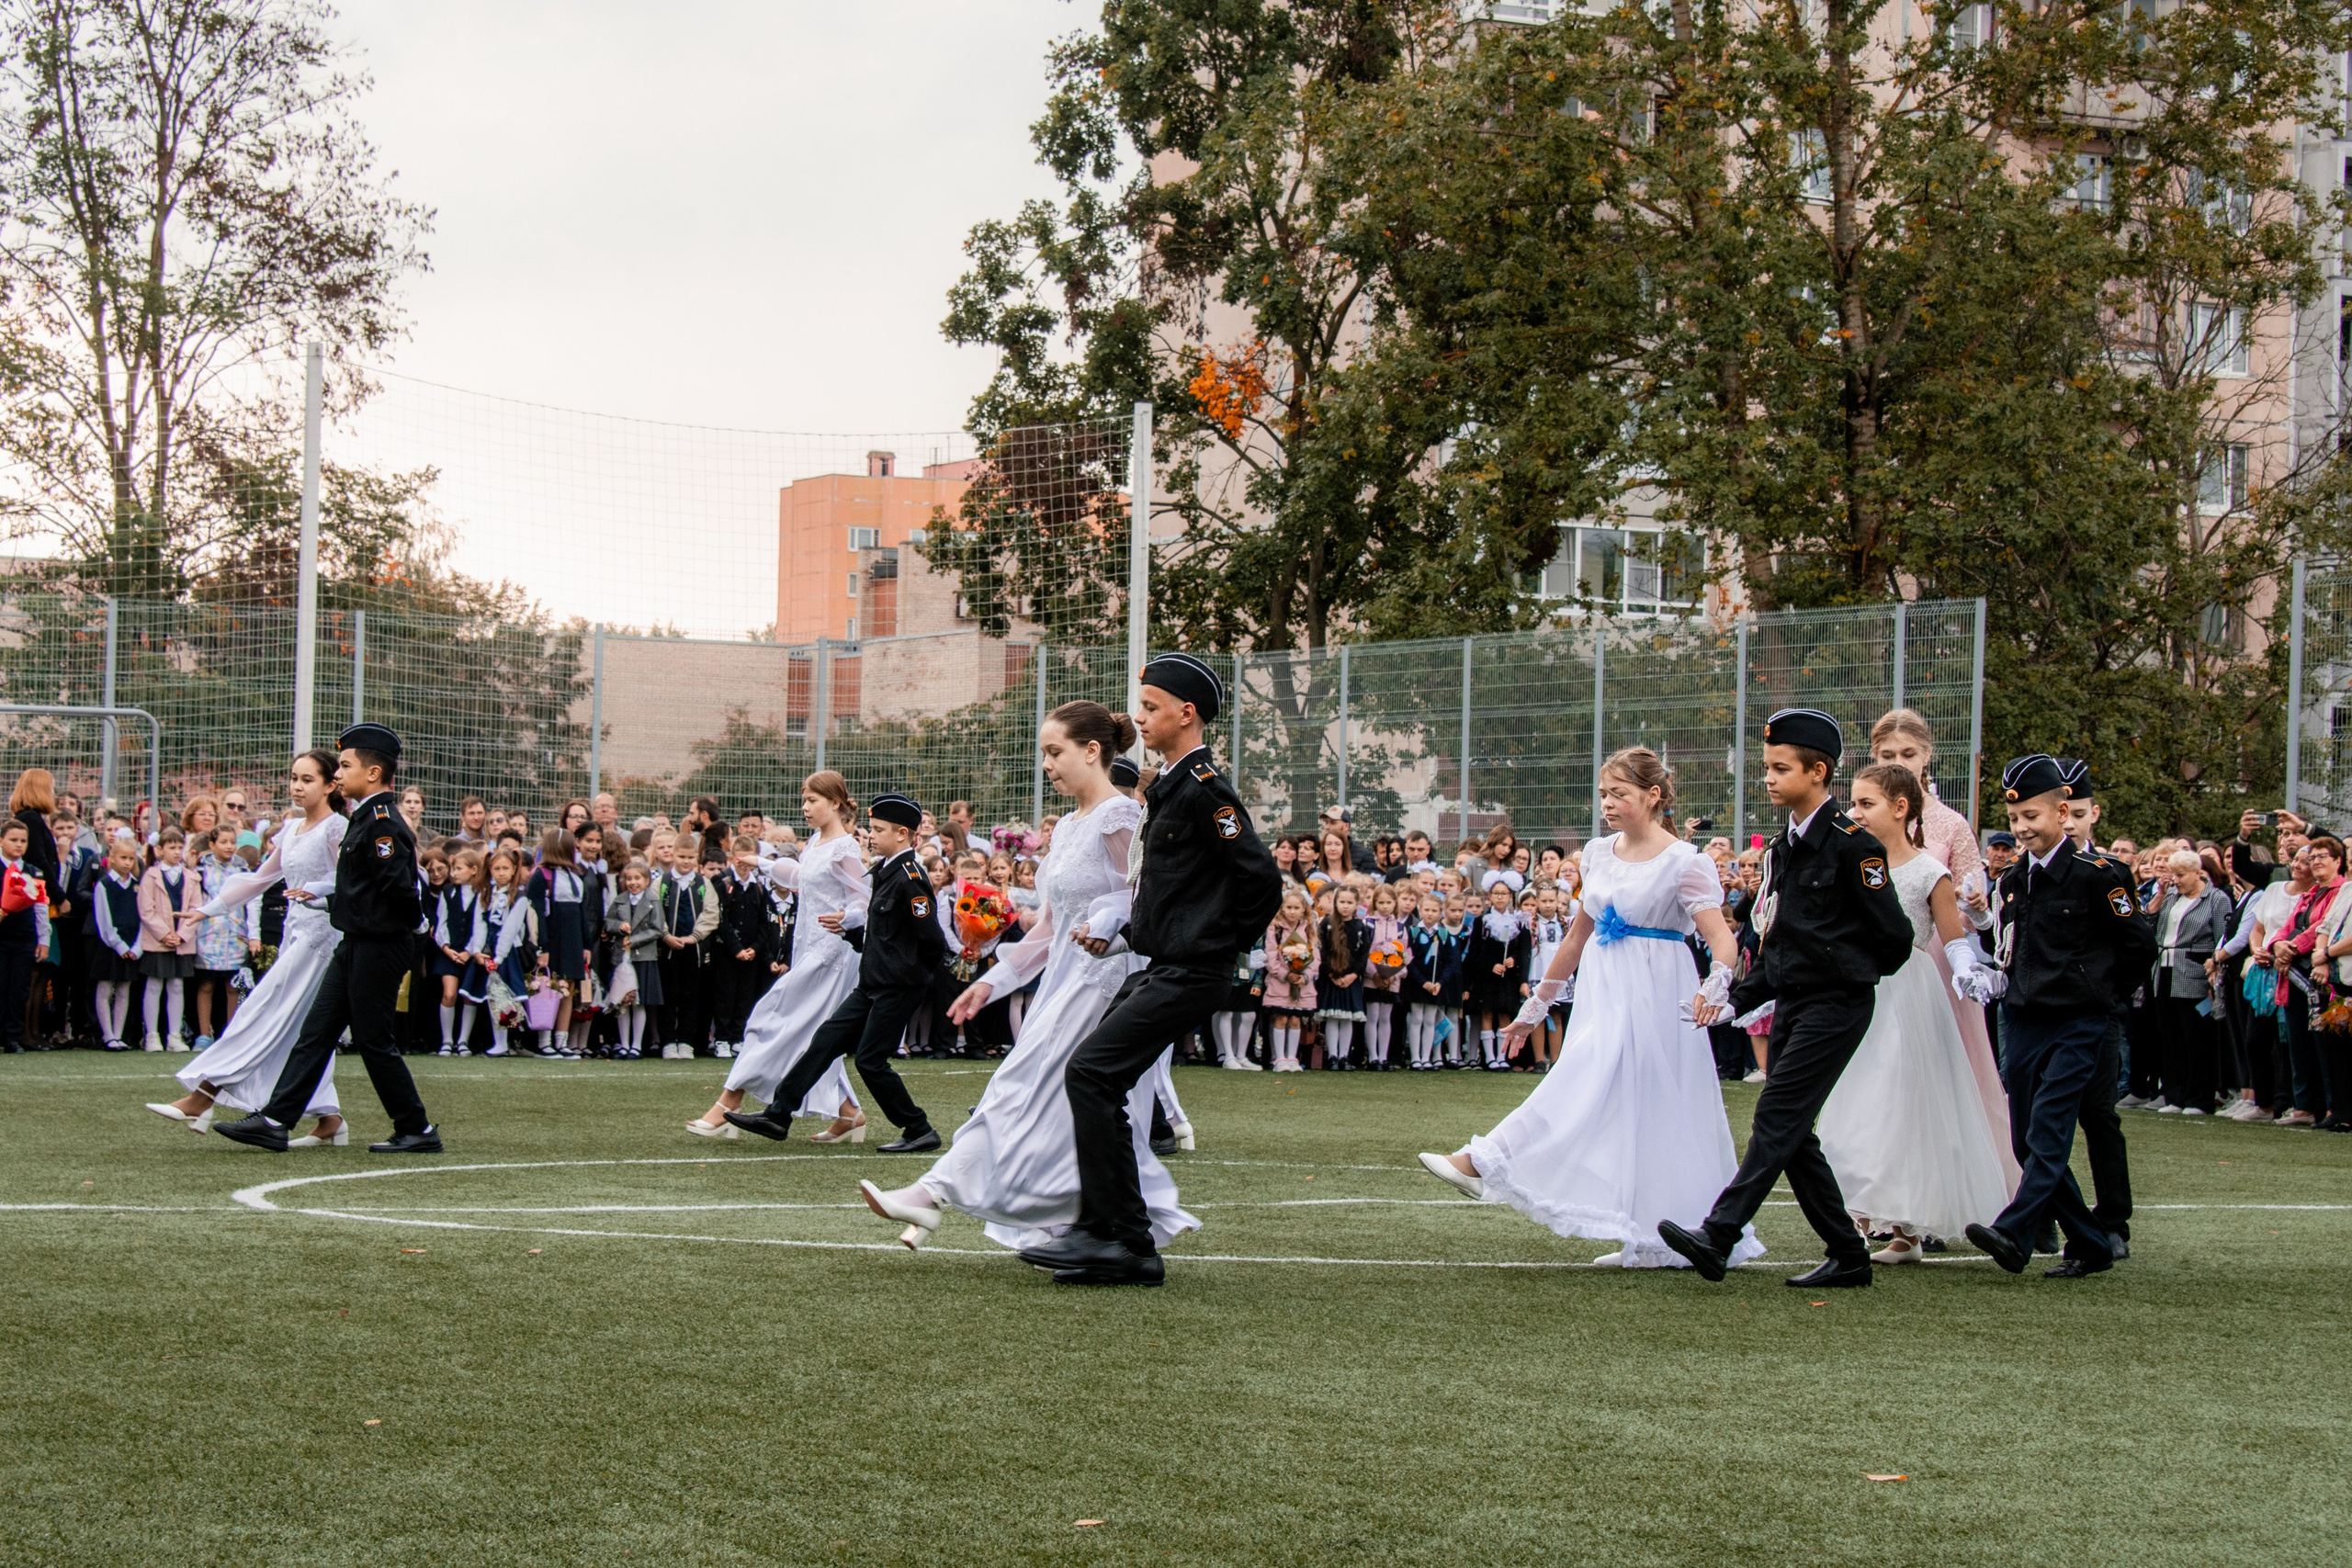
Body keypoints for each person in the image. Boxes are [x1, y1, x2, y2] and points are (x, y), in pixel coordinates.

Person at [860, 702, 1200, 1255]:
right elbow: (1047, 927)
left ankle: (932, 1193)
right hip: (1062, 983)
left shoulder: (1122, 820)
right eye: (1044, 753)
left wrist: (1110, 923)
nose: (1046, 764)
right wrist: (992, 980)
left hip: (1106, 985)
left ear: (1092, 752)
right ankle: (1065, 1225)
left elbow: (1145, 900)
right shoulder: (1066, 827)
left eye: (1054, 752)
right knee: (1039, 1096)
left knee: (1024, 1088)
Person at [1416, 747, 1758, 1268]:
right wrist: (1537, 1005)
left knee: (1604, 1079)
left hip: (1659, 987)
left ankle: (1485, 1160)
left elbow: (1721, 938)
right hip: (1606, 982)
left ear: (1653, 796)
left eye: (1619, 794)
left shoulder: (1685, 862)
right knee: (1622, 1094)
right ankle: (1646, 1239)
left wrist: (1716, 984)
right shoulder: (1597, 853)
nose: (1608, 804)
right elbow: (1578, 936)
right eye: (1603, 795)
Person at [1009, 653, 1283, 1286]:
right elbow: (1173, 888)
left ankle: (1123, 1239)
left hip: (1193, 969)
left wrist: (1219, 942)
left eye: (1153, 706)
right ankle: (1105, 1230)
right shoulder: (1170, 784)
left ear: (1187, 714)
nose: (1142, 716)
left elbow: (1260, 878)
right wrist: (1132, 931)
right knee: (1097, 1075)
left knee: (1091, 1071)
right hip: (1164, 963)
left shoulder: (1205, 787)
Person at [1657, 708, 1913, 1289]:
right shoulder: (1781, 849)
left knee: (1777, 1117)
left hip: (1838, 1003)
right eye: (1766, 766)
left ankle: (1718, 1234)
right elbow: (1775, 945)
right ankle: (1849, 1255)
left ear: (1818, 771)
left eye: (1780, 767)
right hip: (1793, 1001)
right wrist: (1734, 1000)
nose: (1768, 777)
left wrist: (1850, 972)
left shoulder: (1854, 847)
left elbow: (1895, 936)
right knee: (1794, 1133)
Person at [1962, 754, 2157, 1280]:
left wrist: (2106, 996)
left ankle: (2015, 1230)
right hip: (2024, 1018)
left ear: (2063, 812)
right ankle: (2091, 1242)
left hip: (2080, 1020)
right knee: (2025, 1138)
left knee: (2049, 1130)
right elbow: (2006, 945)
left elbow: (2139, 945)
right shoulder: (2013, 881)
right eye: (2017, 819)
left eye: (2032, 817)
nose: (2023, 829)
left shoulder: (2101, 874)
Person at [1812, 763, 2017, 1262]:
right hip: (1858, 987)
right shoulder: (1854, 861)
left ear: (1901, 809)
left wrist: (1969, 970)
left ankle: (1905, 1232)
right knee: (1854, 1099)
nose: (1854, 813)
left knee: (1901, 1103)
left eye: (1866, 804)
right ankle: (1859, 1217)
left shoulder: (1929, 870)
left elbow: (1954, 934)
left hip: (1909, 992)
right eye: (1853, 804)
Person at [214, 724, 442, 1155]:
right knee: (317, 1032)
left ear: (373, 773)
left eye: (345, 765)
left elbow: (399, 890)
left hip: (379, 944)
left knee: (374, 1041)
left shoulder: (381, 823)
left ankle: (418, 1129)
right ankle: (276, 1120)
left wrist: (415, 931)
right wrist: (327, 899)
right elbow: (362, 888)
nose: (338, 774)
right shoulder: (364, 818)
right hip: (356, 941)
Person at [145, 750, 348, 1144]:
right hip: (296, 933)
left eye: (307, 779)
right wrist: (206, 910)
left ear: (329, 785)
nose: (297, 786)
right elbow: (257, 880)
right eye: (294, 778)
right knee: (309, 1029)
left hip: (323, 938)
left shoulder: (337, 827)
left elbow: (349, 881)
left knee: (260, 1010)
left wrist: (318, 891)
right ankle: (330, 1119)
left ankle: (204, 1094)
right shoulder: (290, 830)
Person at [724, 791, 943, 1152]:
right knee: (824, 1041)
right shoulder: (884, 871)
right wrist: (853, 934)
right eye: (871, 828)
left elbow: (931, 940)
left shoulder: (910, 877)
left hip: (897, 987)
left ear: (902, 834)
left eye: (878, 829)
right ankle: (778, 1114)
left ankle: (918, 1128)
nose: (870, 836)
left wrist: (908, 976)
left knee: (871, 1062)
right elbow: (883, 934)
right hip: (873, 983)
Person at [687, 773, 865, 1140]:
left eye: (813, 800)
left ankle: (728, 1101)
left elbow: (862, 899)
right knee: (819, 1036)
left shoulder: (846, 847)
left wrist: (846, 918)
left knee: (771, 1018)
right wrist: (763, 862)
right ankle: (849, 1113)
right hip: (808, 950)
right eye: (804, 799)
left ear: (834, 803)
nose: (805, 807)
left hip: (830, 955)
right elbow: (802, 877)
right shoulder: (816, 841)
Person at [2150, 849, 2229, 1120]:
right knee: (2169, 1036)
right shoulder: (2170, 895)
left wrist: (2215, 972)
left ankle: (2200, 1096)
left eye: (2181, 875)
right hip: (2164, 970)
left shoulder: (2216, 899)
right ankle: (2175, 1093)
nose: (2176, 880)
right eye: (2172, 875)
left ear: (2199, 873)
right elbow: (2151, 923)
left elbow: (2222, 938)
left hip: (2195, 973)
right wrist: (2160, 895)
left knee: (2196, 1037)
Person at [136, 828, 196, 1051]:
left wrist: (182, 935)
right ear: (160, 850)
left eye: (180, 847)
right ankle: (152, 1035)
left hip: (181, 941)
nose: (177, 852)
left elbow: (196, 909)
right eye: (172, 847)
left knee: (177, 985)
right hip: (158, 941)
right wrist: (164, 934)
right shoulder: (151, 876)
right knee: (153, 985)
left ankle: (174, 1036)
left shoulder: (191, 877)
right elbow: (146, 910)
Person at [0, 816, 52, 1053]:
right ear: (1, 840)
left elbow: (41, 908)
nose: (19, 845)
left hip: (24, 938)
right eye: (13, 839)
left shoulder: (33, 872)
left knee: (20, 989)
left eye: (23, 840)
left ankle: (13, 1036)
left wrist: (44, 940)